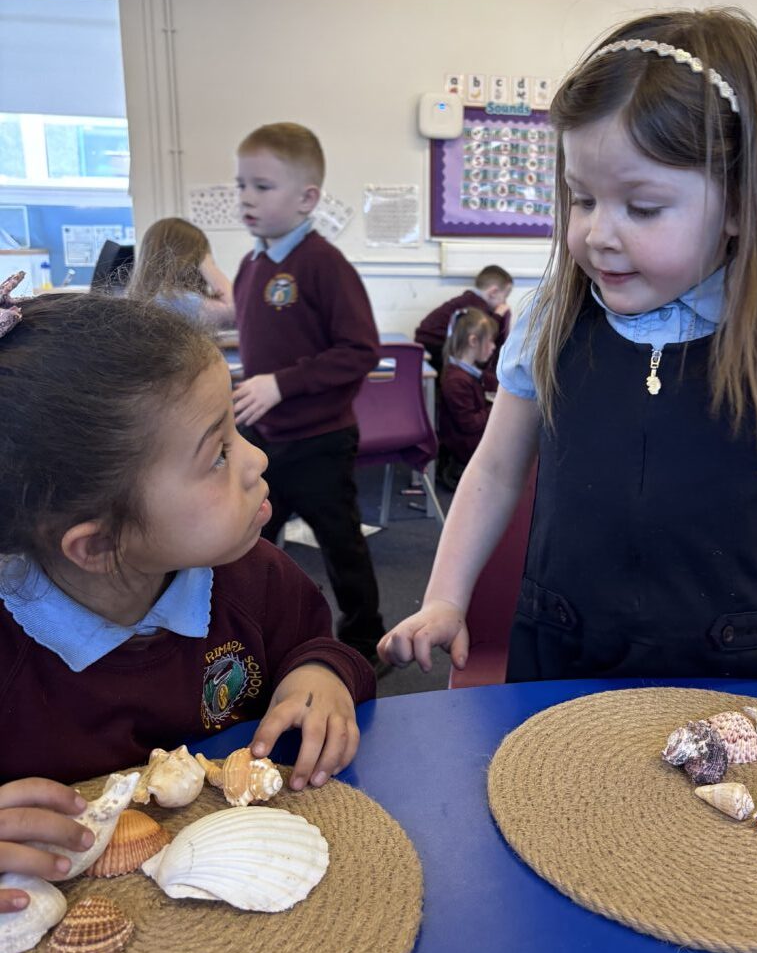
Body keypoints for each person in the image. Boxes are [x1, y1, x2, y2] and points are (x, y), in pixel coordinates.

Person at [379, 7, 757, 711]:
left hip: (719, 659)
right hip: (556, 651)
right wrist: (444, 597)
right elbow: (495, 468)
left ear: (738, 204)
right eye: (581, 198)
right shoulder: (549, 317)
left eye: (644, 207)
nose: (598, 234)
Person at [0, 285, 375, 912]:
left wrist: (320, 672)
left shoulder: (255, 577)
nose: (257, 459)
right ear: (99, 545)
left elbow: (313, 644)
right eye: (218, 454)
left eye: (237, 429)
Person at [232, 122, 385, 665]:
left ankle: (365, 643)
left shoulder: (323, 264)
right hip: (264, 440)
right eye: (241, 185)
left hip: (320, 441)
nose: (246, 198)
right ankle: (255, 642)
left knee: (341, 545)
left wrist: (281, 383)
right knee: (249, 545)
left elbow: (360, 350)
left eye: (262, 186)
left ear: (307, 198)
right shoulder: (252, 264)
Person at [126, 216, 236, 328]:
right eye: (201, 256)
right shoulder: (174, 299)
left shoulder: (154, 298)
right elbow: (236, 309)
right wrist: (209, 265)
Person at [414, 264, 513, 388]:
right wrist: (498, 317)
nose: (504, 302)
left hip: (427, 346)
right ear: (493, 292)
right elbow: (486, 335)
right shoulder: (477, 309)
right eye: (505, 297)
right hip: (437, 351)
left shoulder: (468, 299)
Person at [437, 308, 498, 491]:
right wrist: (496, 409)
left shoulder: (466, 371)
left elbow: (488, 380)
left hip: (468, 438)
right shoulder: (456, 380)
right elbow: (469, 424)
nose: (493, 347)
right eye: (490, 341)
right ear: (473, 341)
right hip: (464, 443)